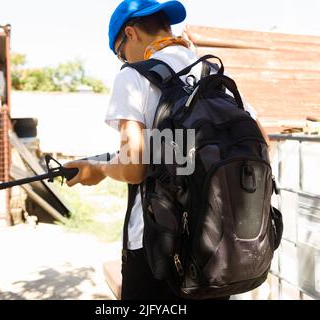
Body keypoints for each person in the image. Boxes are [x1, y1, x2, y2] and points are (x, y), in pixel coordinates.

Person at [65, 0, 269, 300]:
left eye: (120, 53)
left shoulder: (133, 76)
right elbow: (263, 143)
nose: (124, 60)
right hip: (216, 250)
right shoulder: (213, 74)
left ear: (131, 34)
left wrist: (99, 169)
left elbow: (134, 167)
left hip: (157, 251)